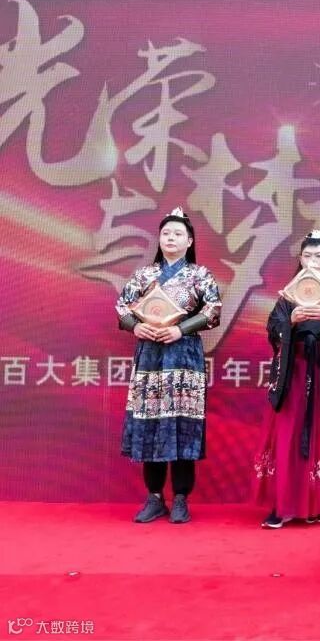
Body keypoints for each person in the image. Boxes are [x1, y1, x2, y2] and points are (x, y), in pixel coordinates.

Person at [116, 207, 221, 523]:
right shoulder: (144, 275)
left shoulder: (200, 275)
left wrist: (181, 329)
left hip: (184, 356)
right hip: (150, 355)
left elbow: (213, 310)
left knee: (182, 421)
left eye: (178, 233)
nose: (171, 238)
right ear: (159, 239)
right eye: (165, 233)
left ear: (189, 241)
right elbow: (122, 307)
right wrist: (135, 326)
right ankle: (154, 497)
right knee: (150, 420)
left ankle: (181, 498)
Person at [253, 230, 320, 528]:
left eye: (319, 256)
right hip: (295, 373)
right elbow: (273, 328)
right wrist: (290, 321)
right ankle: (282, 504)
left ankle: (313, 503)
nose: (313, 261)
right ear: (300, 260)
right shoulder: (288, 295)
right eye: (307, 255)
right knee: (288, 436)